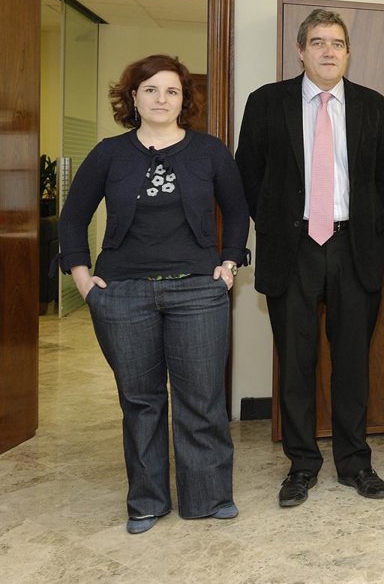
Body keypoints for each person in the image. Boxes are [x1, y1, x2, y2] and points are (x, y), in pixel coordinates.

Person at [59, 54, 248, 534]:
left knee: (201, 399)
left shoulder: (210, 152)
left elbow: (237, 211)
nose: (161, 99)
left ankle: (208, 497)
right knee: (140, 402)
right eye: (150, 89)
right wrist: (82, 279)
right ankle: (146, 501)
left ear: (184, 101)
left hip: (198, 293)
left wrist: (228, 266)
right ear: (133, 97)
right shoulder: (109, 154)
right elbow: (73, 218)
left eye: (172, 91)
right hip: (123, 295)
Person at [236, 8, 384, 507]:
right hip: (293, 249)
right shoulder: (266, 103)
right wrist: (278, 224)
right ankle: (302, 465)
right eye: (318, 42)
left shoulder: (374, 106)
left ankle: (355, 463)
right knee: (296, 363)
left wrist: (362, 223)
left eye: (337, 43)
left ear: (348, 53)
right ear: (300, 50)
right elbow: (248, 174)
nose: (329, 51)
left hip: (354, 248)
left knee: (352, 363)